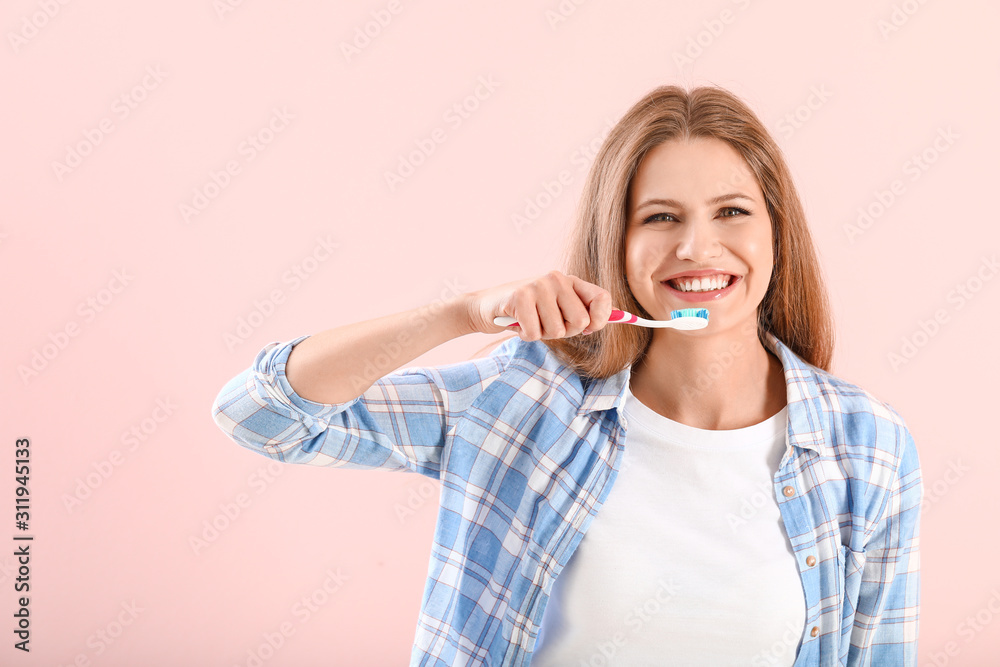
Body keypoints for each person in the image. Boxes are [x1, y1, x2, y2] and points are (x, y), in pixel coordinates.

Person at [211, 84, 922, 666]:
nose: (696, 246)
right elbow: (258, 414)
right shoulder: (522, 397)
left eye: (731, 211)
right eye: (660, 216)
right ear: (616, 240)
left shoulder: (869, 446)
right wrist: (463, 313)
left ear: (776, 232)